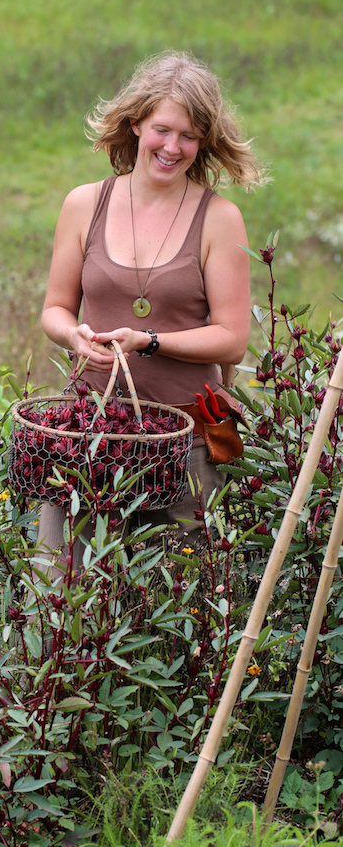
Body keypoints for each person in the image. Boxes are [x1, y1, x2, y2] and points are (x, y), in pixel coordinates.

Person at [37, 50, 269, 564]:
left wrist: (149, 341)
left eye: (189, 136)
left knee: (175, 612)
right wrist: (74, 334)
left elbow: (232, 338)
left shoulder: (219, 219)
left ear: (203, 143)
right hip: (89, 435)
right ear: (136, 123)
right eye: (163, 129)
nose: (173, 147)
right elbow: (55, 308)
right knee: (65, 594)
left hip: (185, 442)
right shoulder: (84, 204)